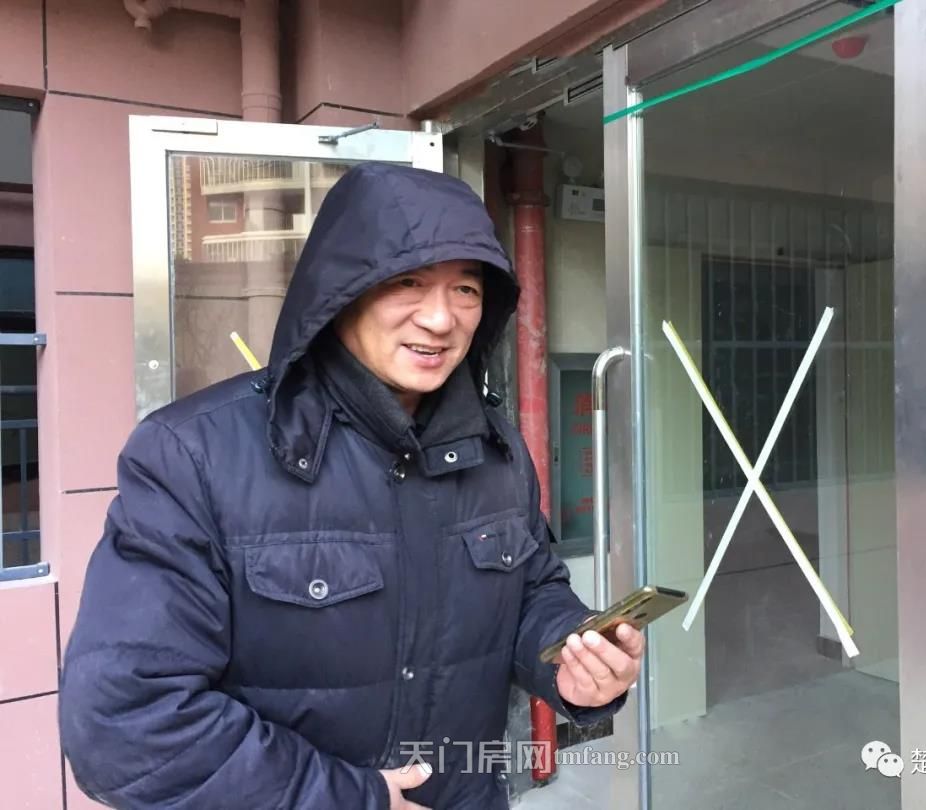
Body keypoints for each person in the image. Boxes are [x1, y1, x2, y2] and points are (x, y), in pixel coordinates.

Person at [58, 162, 644, 810]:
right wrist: (348, 797)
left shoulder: (495, 450)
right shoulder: (194, 456)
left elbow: (531, 590)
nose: (441, 318)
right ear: (339, 291)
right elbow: (123, 723)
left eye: (466, 289)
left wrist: (571, 660)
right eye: (407, 281)